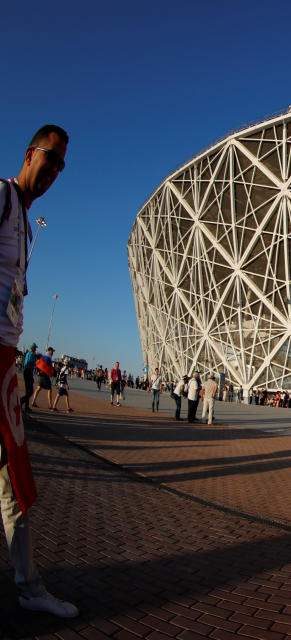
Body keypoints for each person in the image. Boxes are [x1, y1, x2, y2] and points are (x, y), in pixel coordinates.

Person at [0, 124, 78, 616]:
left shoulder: (26, 226)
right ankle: (29, 587)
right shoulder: (1, 200)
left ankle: (30, 587)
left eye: (61, 165)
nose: (52, 171)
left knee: (14, 481)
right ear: (31, 154)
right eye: (49, 158)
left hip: (5, 361)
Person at [20, 343, 37, 413]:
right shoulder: (31, 354)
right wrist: (31, 375)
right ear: (32, 348)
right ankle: (21, 401)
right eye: (35, 348)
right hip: (28, 372)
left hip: (26, 371)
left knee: (28, 390)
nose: (35, 349)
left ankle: (26, 406)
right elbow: (29, 364)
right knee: (30, 391)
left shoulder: (28, 354)